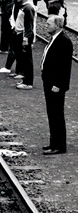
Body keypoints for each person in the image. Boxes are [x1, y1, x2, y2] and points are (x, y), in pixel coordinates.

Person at [40, 14, 72, 155]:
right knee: (52, 113)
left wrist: (58, 85)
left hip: (55, 85)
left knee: (57, 114)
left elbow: (64, 67)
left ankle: (59, 146)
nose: (46, 26)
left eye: (48, 24)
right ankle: (53, 143)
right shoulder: (55, 39)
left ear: (57, 25)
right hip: (49, 83)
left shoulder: (63, 41)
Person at [14, 0, 37, 90]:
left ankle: (28, 83)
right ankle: (25, 80)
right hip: (20, 35)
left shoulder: (28, 8)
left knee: (27, 60)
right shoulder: (22, 6)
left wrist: (26, 38)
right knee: (23, 59)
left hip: (24, 36)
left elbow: (29, 25)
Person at [0, 0, 22, 75]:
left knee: (18, 51)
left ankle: (20, 71)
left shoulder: (24, 6)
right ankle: (11, 68)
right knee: (14, 49)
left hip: (19, 30)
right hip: (15, 28)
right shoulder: (16, 4)